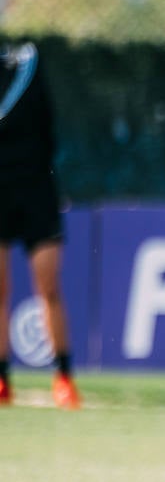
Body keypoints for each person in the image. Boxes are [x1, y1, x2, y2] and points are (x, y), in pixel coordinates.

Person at [0, 41, 80, 409]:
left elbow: (47, 128)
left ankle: (63, 377)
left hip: (35, 191)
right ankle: (2, 380)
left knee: (48, 285)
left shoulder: (26, 62)